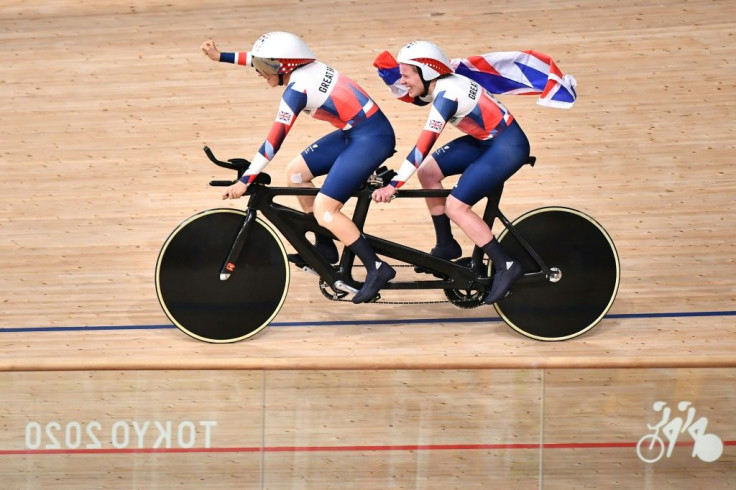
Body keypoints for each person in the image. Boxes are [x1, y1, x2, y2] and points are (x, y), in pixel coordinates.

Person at [201, 32, 397, 303]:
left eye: (265, 68)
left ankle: (377, 268)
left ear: (284, 67)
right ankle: (325, 248)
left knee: (325, 210)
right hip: (356, 132)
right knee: (295, 173)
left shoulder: (297, 89)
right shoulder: (300, 67)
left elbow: (273, 141)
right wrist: (220, 56)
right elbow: (261, 60)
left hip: (372, 139)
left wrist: (246, 179)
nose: (259, 72)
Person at [371, 40, 531, 304]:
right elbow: (417, 100)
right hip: (485, 140)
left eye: (406, 75)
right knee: (428, 172)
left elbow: (422, 145)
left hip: (507, 146)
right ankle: (446, 245)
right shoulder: (439, 84)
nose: (403, 81)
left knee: (457, 206)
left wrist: (393, 185)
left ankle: (507, 264)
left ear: (427, 73)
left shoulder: (447, 96)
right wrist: (391, 74)